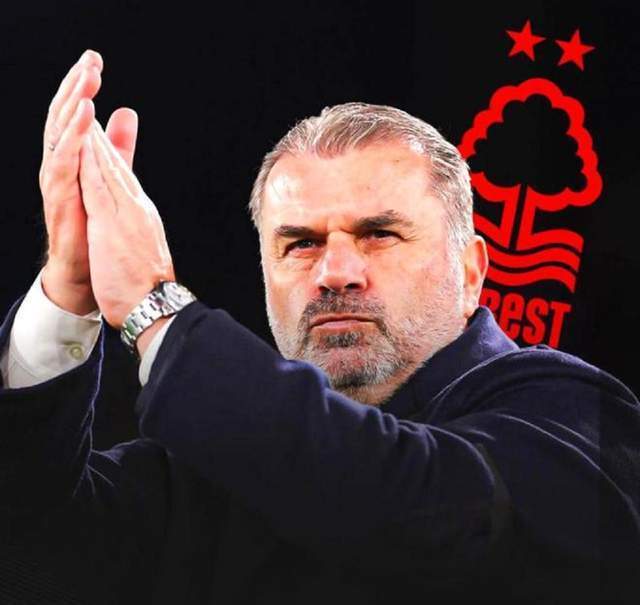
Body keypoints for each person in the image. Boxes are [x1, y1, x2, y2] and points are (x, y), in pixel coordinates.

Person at [0, 49, 639, 605]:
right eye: (301, 243)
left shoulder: (576, 416)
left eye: (379, 234)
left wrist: (154, 309)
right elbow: (35, 553)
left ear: (470, 272)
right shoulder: (212, 466)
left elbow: (426, 513)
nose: (335, 272)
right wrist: (68, 290)